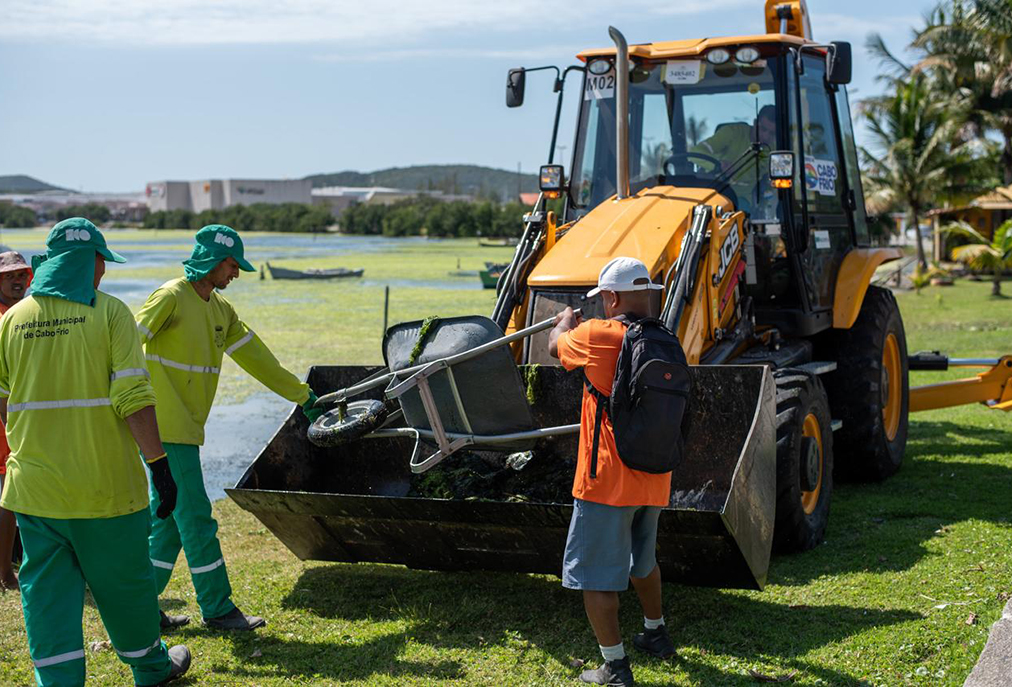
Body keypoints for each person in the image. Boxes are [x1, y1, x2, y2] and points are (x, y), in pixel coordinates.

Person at [0, 218, 190, 687]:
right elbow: (133, 399)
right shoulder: (110, 313)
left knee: (47, 598)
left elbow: (5, 399)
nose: (103, 271)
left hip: (36, 493)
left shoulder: (13, 318)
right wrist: (160, 466)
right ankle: (151, 668)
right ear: (92, 264)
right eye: (102, 261)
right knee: (125, 589)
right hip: (105, 493)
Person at [136, 224, 323, 631]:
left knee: (168, 523)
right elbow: (127, 345)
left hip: (186, 429)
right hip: (166, 430)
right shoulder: (170, 297)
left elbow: (257, 358)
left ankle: (138, 610)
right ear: (211, 260)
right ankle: (218, 609)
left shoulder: (221, 310)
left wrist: (302, 394)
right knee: (198, 518)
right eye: (232, 264)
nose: (236, 273)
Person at [548, 257, 675, 687]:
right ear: (649, 295)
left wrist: (564, 320)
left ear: (611, 297)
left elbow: (554, 348)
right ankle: (656, 633)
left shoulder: (597, 334)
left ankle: (614, 667)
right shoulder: (665, 338)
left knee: (595, 578)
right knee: (644, 561)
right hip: (655, 475)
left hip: (606, 480)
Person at [0, 251, 32, 591]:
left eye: (22, 274)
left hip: (18, 417)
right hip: (8, 420)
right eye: (9, 275)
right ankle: (6, 573)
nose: (17, 279)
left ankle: (11, 563)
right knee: (10, 496)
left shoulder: (24, 314)